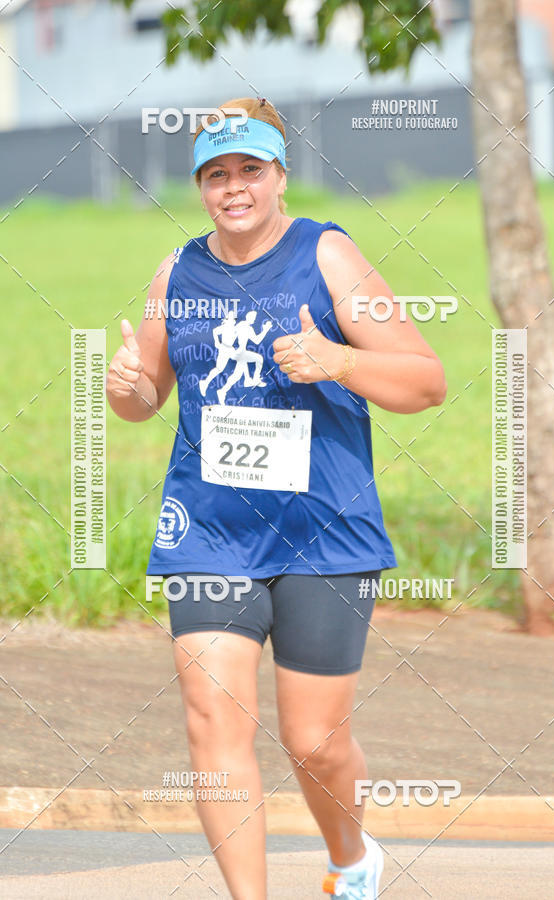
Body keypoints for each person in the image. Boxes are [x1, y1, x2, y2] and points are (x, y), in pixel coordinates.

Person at [106, 96, 446, 900]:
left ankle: (351, 860)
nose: (234, 188)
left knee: (313, 741)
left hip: (322, 533)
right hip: (209, 531)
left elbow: (426, 381)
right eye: (217, 174)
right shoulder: (176, 272)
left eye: (249, 171)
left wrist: (338, 360)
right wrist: (125, 387)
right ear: (200, 185)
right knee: (211, 721)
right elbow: (144, 396)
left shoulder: (328, 256)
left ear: (280, 177)